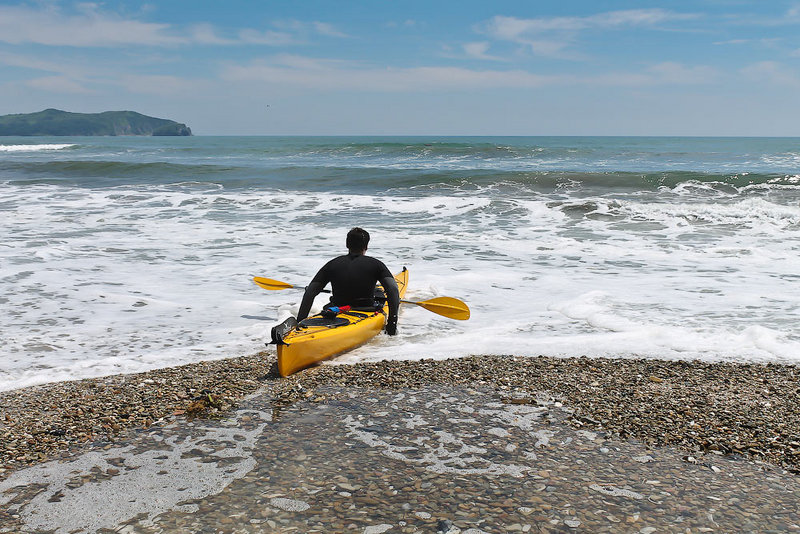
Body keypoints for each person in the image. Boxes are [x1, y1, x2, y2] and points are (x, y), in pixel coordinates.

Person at [296, 227, 400, 335]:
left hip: (336, 311)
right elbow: (393, 289)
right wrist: (392, 324)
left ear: (347, 245)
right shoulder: (376, 264)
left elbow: (310, 292)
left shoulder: (332, 264)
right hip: (365, 310)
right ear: (366, 246)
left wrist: (299, 323)